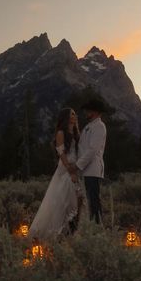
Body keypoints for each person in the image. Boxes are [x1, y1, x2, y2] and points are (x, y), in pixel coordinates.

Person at [28, 107, 83, 241]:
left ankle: (71, 231)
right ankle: (56, 233)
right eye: (72, 114)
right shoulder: (61, 133)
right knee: (62, 199)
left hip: (76, 167)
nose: (75, 116)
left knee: (78, 198)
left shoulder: (76, 132)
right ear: (66, 117)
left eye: (75, 114)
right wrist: (70, 169)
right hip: (66, 168)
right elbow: (61, 152)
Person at [70, 99, 107, 224]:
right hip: (85, 169)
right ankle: (90, 224)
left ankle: (97, 226)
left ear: (95, 112)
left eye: (89, 110)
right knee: (87, 200)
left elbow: (93, 150)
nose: (86, 112)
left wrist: (77, 165)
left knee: (93, 200)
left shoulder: (99, 127)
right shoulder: (89, 126)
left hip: (92, 169)